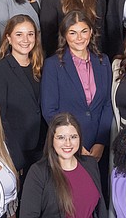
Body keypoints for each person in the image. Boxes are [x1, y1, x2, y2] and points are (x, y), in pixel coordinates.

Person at [40, 11, 113, 163]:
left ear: (91, 32)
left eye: (84, 31)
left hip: (98, 148)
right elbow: (49, 110)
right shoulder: (53, 65)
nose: (79, 38)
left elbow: (107, 104)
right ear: (65, 35)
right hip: (66, 148)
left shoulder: (103, 61)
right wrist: (73, 143)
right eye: (73, 33)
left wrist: (101, 142)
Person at [0, 15, 45, 177]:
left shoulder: (41, 67)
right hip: (16, 151)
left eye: (30, 34)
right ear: (8, 38)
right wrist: (14, 158)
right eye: (19, 34)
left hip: (43, 148)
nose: (25, 39)